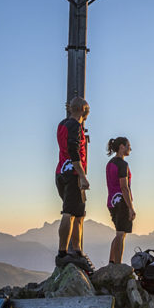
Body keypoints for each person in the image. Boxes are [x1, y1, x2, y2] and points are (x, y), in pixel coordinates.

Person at [55, 96, 93, 273]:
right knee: (69, 212)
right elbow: (73, 150)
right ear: (84, 110)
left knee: (78, 214)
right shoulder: (76, 127)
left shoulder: (62, 124)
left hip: (61, 172)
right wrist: (82, 176)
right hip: (73, 174)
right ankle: (62, 253)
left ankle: (77, 251)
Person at [105, 136, 135, 265]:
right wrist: (130, 207)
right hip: (122, 201)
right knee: (121, 234)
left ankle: (112, 261)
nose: (130, 148)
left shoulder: (110, 163)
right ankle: (117, 265)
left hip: (111, 201)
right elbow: (124, 187)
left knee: (119, 232)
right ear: (122, 147)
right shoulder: (123, 164)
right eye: (128, 146)